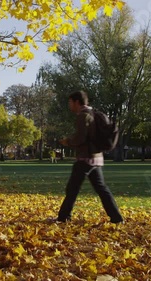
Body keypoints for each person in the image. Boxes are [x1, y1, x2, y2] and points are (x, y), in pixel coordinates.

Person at [54, 90, 123, 224]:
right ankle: (117, 218)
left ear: (77, 102)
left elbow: (81, 138)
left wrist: (67, 141)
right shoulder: (94, 114)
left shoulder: (83, 116)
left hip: (85, 158)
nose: (69, 105)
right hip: (96, 158)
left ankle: (63, 218)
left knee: (72, 189)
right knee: (102, 189)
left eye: (70, 102)